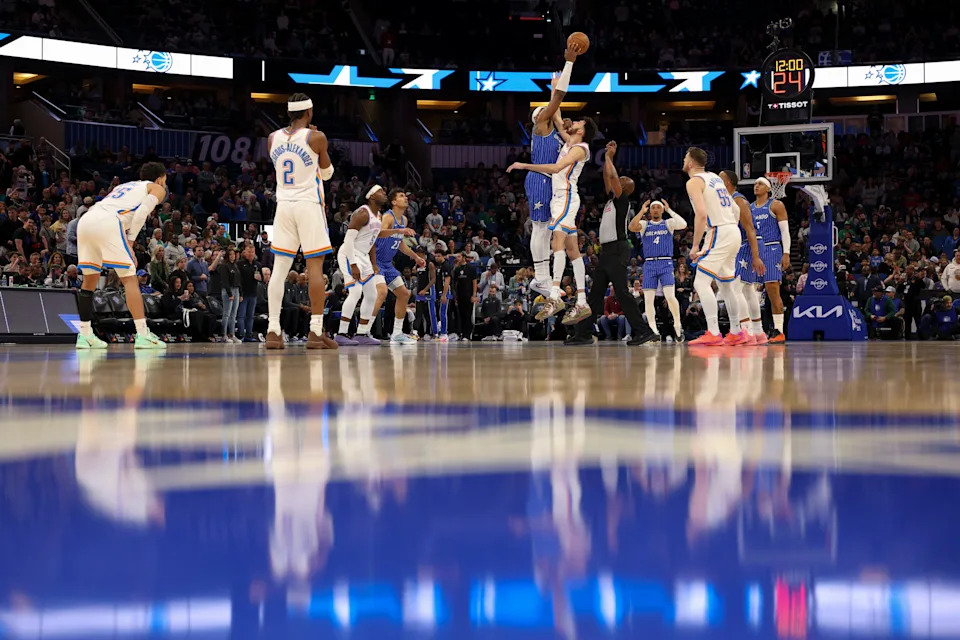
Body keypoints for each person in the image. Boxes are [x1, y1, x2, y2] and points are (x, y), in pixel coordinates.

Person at [508, 115, 598, 326]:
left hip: (565, 197)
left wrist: (524, 165)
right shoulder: (570, 141)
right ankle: (583, 301)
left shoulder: (581, 148)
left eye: (578, 123)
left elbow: (557, 168)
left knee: (556, 243)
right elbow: (556, 118)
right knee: (572, 250)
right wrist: (555, 84)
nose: (574, 123)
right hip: (561, 198)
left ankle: (555, 295)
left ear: (582, 131)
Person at [265, 93, 337, 350]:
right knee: (315, 267)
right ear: (309, 112)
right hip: (308, 205)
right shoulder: (316, 137)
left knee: (279, 270)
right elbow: (327, 174)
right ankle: (316, 331)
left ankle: (273, 330)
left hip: (283, 206)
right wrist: (319, 146)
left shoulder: (272, 138)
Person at [569, 141, 655, 346]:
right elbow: (608, 178)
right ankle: (583, 333)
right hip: (607, 251)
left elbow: (614, 177)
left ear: (624, 187)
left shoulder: (623, 200)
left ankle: (644, 332)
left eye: (622, 181)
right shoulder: (611, 200)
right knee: (596, 295)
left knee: (622, 293)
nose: (617, 181)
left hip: (618, 248)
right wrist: (608, 158)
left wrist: (609, 157)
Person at [75, 162, 167, 350]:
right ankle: (143, 334)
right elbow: (142, 212)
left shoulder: (124, 186)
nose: (164, 185)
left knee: (89, 280)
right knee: (129, 277)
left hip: (86, 220)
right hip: (108, 221)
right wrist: (131, 241)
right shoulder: (156, 187)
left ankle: (84, 335)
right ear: (159, 179)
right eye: (165, 181)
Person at [525, 43, 581, 296]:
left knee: (547, 227)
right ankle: (540, 277)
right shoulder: (540, 127)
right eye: (544, 112)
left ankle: (543, 277)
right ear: (538, 118)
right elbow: (556, 102)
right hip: (539, 177)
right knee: (539, 227)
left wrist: (562, 118)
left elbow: (557, 111)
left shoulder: (555, 132)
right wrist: (568, 64)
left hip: (550, 181)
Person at [682, 147, 742, 346]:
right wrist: (730, 225)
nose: (683, 160)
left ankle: (714, 333)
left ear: (691, 163)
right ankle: (736, 331)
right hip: (732, 230)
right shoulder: (714, 177)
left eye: (685, 158)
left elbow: (701, 214)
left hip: (719, 231)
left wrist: (695, 245)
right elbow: (735, 208)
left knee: (701, 283)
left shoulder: (694, 182)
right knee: (726, 285)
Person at [335, 185, 388, 346]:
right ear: (371, 196)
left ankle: (362, 333)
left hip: (364, 257)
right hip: (350, 254)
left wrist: (373, 263)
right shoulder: (362, 213)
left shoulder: (378, 215)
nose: (384, 194)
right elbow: (348, 240)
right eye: (381, 191)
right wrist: (353, 264)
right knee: (356, 292)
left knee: (372, 294)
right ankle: (341, 333)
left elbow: (372, 241)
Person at [630, 198, 688, 342]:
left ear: (662, 210)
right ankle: (653, 331)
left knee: (670, 296)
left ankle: (677, 325)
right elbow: (631, 227)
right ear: (650, 211)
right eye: (653, 207)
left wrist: (669, 210)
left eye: (658, 207)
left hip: (666, 263)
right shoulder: (644, 224)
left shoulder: (668, 223)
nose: (655, 209)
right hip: (649, 264)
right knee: (649, 300)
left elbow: (684, 224)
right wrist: (641, 211)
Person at [372, 189, 425, 345]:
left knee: (404, 293)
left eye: (405, 196)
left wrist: (415, 257)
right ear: (394, 202)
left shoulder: (404, 220)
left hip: (388, 264)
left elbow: (400, 243)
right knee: (381, 294)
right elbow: (378, 234)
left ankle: (397, 334)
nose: (405, 198)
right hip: (376, 262)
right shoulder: (388, 216)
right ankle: (364, 331)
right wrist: (398, 230)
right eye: (401, 196)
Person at [721, 169, 765, 344]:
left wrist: (755, 256)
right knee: (748, 289)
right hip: (743, 245)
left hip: (747, 244)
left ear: (727, 183)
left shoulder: (738, 199)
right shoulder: (729, 200)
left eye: (720, 179)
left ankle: (744, 332)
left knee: (734, 288)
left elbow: (750, 229)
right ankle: (758, 332)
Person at [748, 176, 791, 343]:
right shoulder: (749, 208)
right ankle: (755, 331)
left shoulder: (776, 205)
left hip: (772, 248)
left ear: (768, 188)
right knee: (751, 292)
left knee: (773, 290)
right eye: (755, 184)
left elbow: (785, 232)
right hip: (753, 252)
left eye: (760, 184)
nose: (756, 186)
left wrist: (786, 252)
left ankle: (779, 330)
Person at [237, 244, 262, 342]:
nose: (251, 254)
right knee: (241, 315)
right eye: (249, 252)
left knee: (250, 316)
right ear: (245, 253)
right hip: (243, 293)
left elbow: (262, 279)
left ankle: (249, 334)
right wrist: (240, 293)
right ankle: (240, 334)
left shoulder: (257, 265)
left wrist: (260, 278)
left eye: (252, 252)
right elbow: (238, 280)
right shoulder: (240, 264)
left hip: (253, 293)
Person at [452, 252, 478, 341]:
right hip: (460, 295)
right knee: (461, 315)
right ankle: (462, 333)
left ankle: (467, 334)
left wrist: (474, 294)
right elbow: (455, 283)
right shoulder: (457, 269)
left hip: (469, 295)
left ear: (463, 257)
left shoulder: (471, 268)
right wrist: (455, 296)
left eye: (459, 256)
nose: (457, 258)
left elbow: (474, 282)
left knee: (468, 315)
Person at [412, 246, 438, 340]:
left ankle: (433, 332)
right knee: (418, 313)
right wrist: (416, 264)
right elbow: (413, 271)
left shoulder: (430, 264)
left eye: (418, 253)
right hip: (419, 291)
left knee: (430, 313)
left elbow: (433, 279)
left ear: (422, 254)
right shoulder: (418, 264)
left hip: (428, 291)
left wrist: (425, 290)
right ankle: (415, 332)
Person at [218, 247, 242, 343]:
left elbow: (239, 281)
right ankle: (224, 334)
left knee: (234, 314)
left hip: (236, 289)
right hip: (228, 290)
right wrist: (229, 293)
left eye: (234, 254)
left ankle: (232, 334)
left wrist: (241, 293)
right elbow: (225, 281)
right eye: (231, 254)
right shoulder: (225, 266)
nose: (233, 256)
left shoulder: (235, 266)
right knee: (226, 313)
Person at [898, 265, 926, 339]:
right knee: (907, 321)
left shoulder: (917, 279)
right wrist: (900, 283)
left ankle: (921, 337)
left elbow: (923, 286)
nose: (906, 271)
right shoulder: (905, 280)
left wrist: (919, 279)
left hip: (915, 302)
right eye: (906, 270)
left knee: (918, 320)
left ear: (912, 270)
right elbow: (899, 290)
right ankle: (907, 337)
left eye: (908, 270)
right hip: (907, 303)